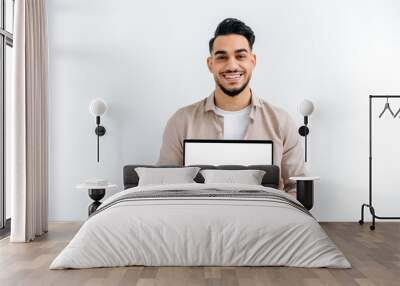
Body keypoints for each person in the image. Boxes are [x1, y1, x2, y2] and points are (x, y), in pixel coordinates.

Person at [157, 18, 305, 191]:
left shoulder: (281, 121)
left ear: (253, 61)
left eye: (240, 56)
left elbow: (297, 188)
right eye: (222, 57)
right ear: (210, 64)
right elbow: (164, 186)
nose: (232, 65)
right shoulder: (181, 122)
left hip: (264, 216)